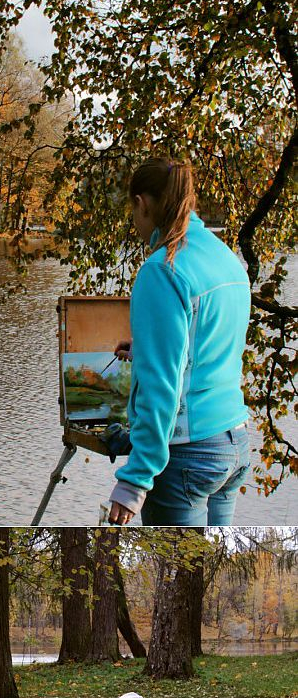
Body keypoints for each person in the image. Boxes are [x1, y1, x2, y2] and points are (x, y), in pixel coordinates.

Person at [106, 157, 251, 525]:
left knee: (174, 577)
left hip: (187, 456)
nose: (134, 222)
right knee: (201, 577)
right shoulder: (227, 259)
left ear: (142, 204)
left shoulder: (162, 269)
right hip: (234, 443)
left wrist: (135, 480)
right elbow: (210, 344)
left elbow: (161, 388)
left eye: (132, 211)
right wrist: (145, 351)